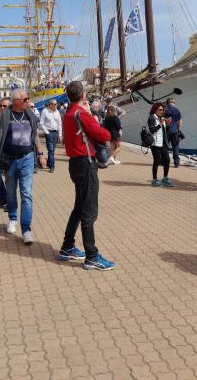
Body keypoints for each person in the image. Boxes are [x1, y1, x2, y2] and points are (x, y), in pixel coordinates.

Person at [58, 80, 116, 270]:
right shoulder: (81, 113)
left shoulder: (69, 112)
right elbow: (104, 135)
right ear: (83, 95)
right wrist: (91, 115)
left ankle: (67, 247)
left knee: (79, 207)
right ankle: (91, 256)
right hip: (85, 164)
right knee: (89, 211)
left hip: (75, 163)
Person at [0, 89, 46, 244]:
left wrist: (40, 154)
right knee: (11, 193)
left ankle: (26, 229)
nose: (28, 101)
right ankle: (13, 217)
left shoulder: (29, 114)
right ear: (16, 101)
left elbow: (34, 136)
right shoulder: (4, 116)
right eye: (25, 99)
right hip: (9, 160)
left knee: (26, 193)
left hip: (27, 158)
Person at [148, 102, 173, 187]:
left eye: (162, 110)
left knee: (167, 160)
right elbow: (152, 130)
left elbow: (165, 131)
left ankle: (165, 178)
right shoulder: (152, 118)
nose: (162, 111)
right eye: (160, 110)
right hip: (155, 143)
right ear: (155, 110)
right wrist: (161, 124)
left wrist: (168, 124)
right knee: (157, 161)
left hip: (163, 143)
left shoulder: (161, 118)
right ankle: (154, 180)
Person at [40, 99, 62, 173]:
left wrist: (60, 135)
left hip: (55, 132)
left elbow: (59, 123)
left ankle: (49, 163)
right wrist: (46, 132)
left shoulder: (57, 112)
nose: (56, 105)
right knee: (51, 150)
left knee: (53, 150)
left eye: (56, 104)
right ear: (50, 105)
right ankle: (52, 166)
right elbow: (41, 123)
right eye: (54, 104)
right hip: (49, 132)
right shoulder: (45, 111)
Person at [164, 98, 183, 168]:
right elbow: (180, 121)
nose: (173, 103)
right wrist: (178, 129)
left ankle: (165, 161)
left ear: (167, 103)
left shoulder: (165, 110)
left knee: (165, 146)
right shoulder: (177, 110)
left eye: (174, 102)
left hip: (167, 130)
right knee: (175, 147)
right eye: (172, 102)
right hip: (175, 131)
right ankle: (176, 163)